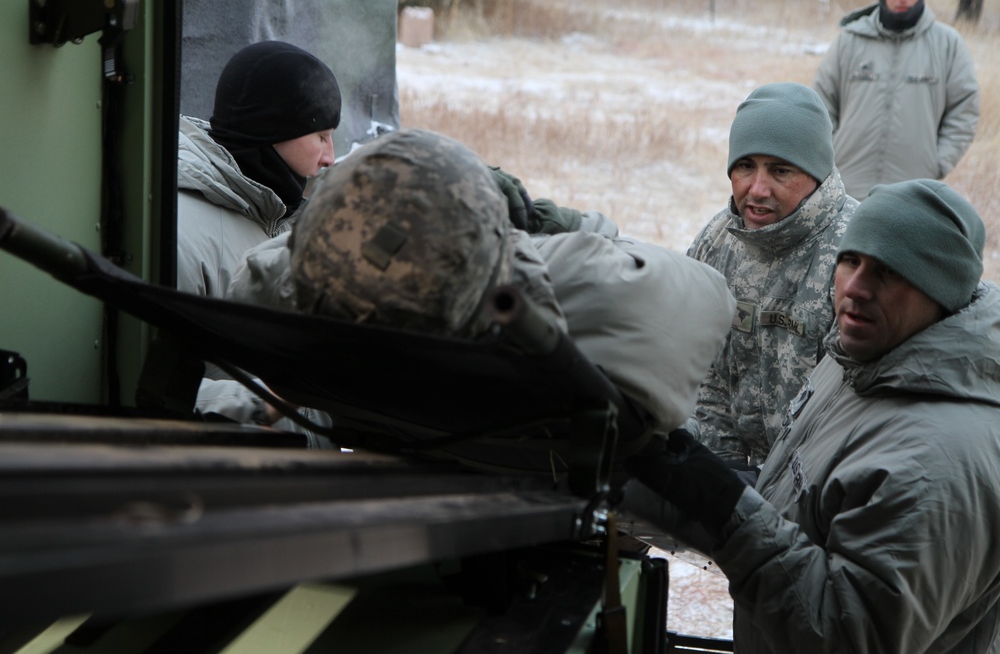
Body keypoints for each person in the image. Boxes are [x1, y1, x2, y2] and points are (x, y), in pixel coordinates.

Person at [626, 179, 1000, 652]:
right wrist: (684, 478)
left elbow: (848, 634)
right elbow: (815, 509)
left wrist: (730, 512)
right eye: (850, 260)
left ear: (941, 290)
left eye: (889, 272)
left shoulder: (941, 461)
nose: (855, 288)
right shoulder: (863, 360)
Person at [229, 127, 737, 446]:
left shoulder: (281, 304)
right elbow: (707, 294)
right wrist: (543, 228)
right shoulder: (583, 287)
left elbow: (262, 271)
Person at [686, 82, 858, 469]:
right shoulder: (717, 243)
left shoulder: (857, 256)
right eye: (745, 166)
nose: (757, 189)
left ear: (816, 173)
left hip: (821, 483)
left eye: (780, 170)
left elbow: (861, 405)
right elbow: (700, 370)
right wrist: (722, 479)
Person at [176, 40, 340, 435]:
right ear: (272, 130)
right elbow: (145, 391)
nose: (330, 156)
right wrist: (266, 404)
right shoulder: (180, 234)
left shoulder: (288, 218)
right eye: (320, 135)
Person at [813, 0, 979, 200]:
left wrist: (938, 162)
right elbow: (821, 104)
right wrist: (833, 153)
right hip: (847, 188)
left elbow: (964, 109)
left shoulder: (948, 44)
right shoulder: (849, 40)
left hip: (912, 192)